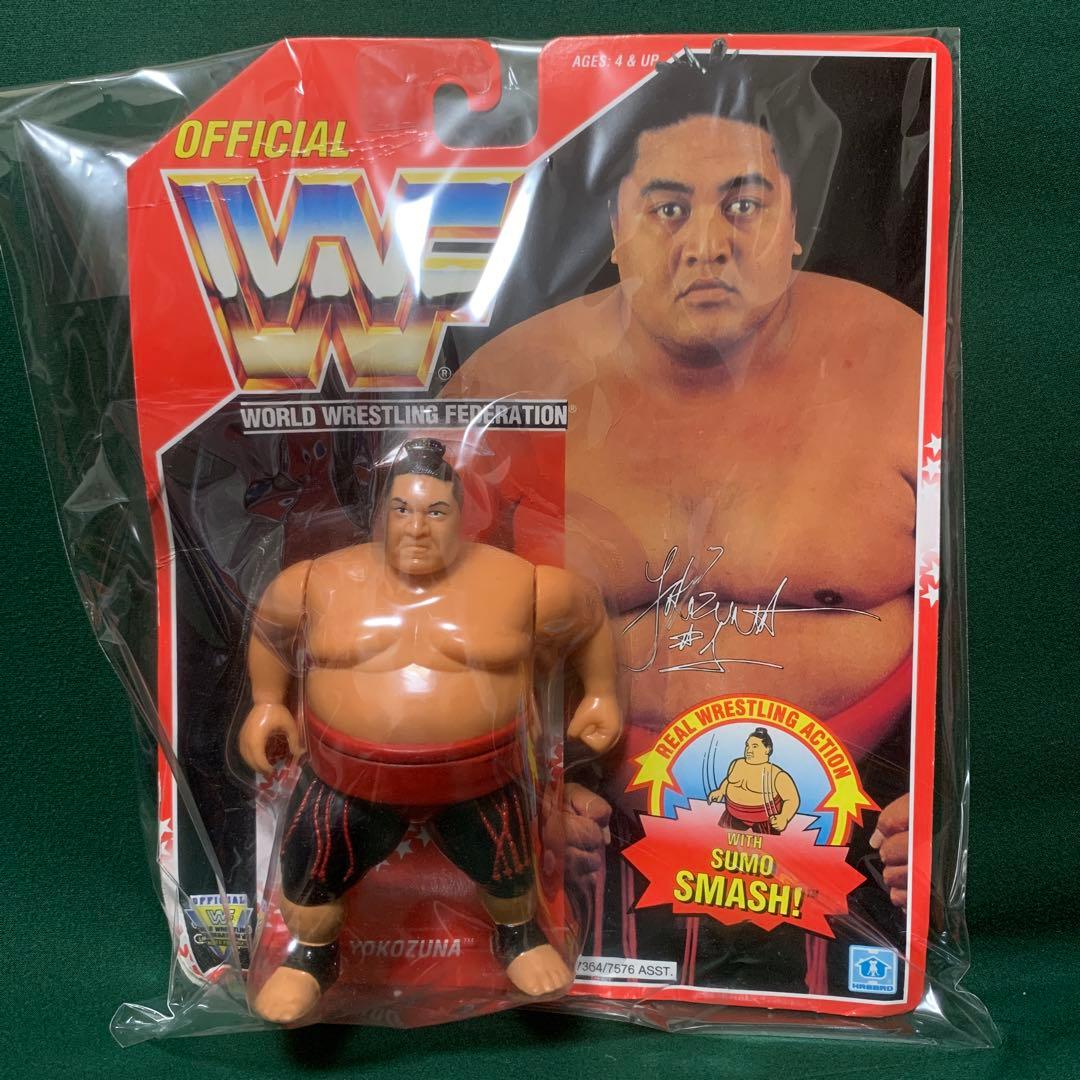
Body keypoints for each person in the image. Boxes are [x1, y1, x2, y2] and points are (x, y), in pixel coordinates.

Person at [443, 46, 919, 992]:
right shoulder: (508, 386)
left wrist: (933, 802)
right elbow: (424, 628)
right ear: (615, 232)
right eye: (668, 209)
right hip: (568, 845)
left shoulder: (902, 364)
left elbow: (977, 633)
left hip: (867, 840)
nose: (707, 243)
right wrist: (509, 791)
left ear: (794, 225)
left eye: (744, 205)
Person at [237, 438, 620, 1022]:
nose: (417, 528)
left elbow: (588, 617)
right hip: (345, 780)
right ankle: (311, 957)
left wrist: (599, 694)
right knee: (310, 867)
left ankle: (519, 937)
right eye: (402, 510)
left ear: (462, 517)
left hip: (481, 778)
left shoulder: (520, 583)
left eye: (435, 512)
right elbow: (270, 628)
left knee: (510, 870)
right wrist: (267, 703)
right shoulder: (319, 581)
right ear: (380, 515)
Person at [708, 728, 800, 834]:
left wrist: (784, 817)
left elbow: (792, 799)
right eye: (747, 745)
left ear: (767, 749)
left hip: (766, 821)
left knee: (770, 844)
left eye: (755, 746)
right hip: (732, 816)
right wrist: (721, 791)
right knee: (716, 838)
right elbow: (729, 781)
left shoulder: (777, 774)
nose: (749, 750)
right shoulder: (737, 764)